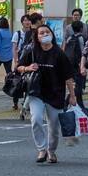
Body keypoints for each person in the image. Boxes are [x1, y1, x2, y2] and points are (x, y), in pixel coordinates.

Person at [16, 22, 77, 164]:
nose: (44, 35)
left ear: (52, 35)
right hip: (36, 92)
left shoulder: (59, 53)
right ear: (37, 37)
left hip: (56, 94)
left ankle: (51, 151)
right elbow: (18, 67)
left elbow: (68, 77)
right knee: (36, 119)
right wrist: (28, 68)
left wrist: (72, 95)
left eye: (47, 32)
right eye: (41, 33)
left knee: (54, 127)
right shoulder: (31, 51)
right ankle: (41, 149)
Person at [62, 20, 88, 118]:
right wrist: (83, 64)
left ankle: (81, 106)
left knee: (75, 86)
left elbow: (65, 50)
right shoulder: (81, 38)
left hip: (69, 65)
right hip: (78, 65)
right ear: (81, 28)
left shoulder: (69, 38)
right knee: (79, 86)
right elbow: (83, 51)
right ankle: (68, 104)